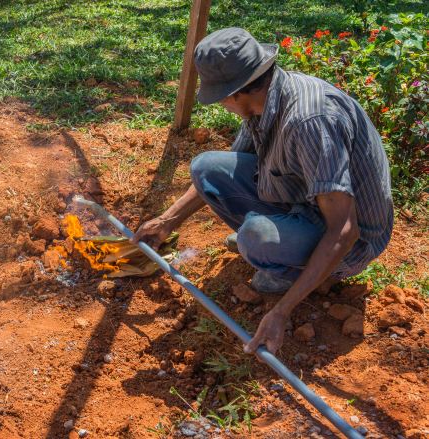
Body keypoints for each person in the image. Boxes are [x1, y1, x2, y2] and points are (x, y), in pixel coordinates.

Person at [132, 27, 393, 355]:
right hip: (305, 198)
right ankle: (281, 245)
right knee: (206, 169)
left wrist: (282, 311)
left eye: (219, 97)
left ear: (235, 93)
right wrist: (167, 220)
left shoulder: (308, 121)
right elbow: (228, 171)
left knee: (254, 237)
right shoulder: (264, 101)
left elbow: (345, 229)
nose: (220, 104)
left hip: (352, 239)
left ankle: (298, 271)